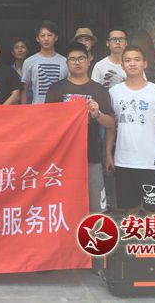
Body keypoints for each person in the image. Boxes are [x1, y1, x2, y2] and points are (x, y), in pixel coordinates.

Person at [45, 42, 115, 213]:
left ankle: (94, 230)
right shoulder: (56, 89)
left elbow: (111, 123)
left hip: (91, 154)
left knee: (95, 207)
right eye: (73, 59)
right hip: (62, 156)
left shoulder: (99, 90)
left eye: (81, 58)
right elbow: (46, 122)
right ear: (67, 63)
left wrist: (97, 114)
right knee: (64, 205)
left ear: (89, 61)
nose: (77, 62)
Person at [105, 45, 155, 216]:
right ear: (122, 65)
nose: (132, 63)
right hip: (123, 161)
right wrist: (108, 154)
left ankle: (151, 235)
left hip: (151, 162)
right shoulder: (114, 92)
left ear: (145, 64)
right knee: (131, 209)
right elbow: (111, 125)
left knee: (153, 211)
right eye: (127, 60)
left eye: (137, 59)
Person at [20, 21, 68, 104]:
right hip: (37, 109)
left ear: (56, 37)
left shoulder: (65, 61)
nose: (46, 39)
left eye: (50, 35)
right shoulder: (29, 61)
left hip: (59, 108)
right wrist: (24, 109)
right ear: (37, 38)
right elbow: (24, 90)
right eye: (42, 36)